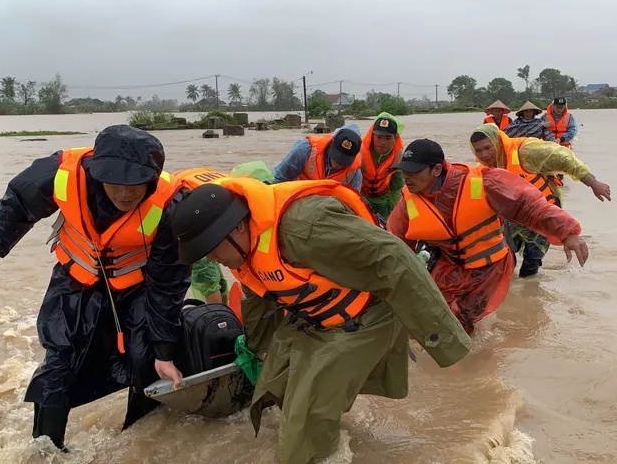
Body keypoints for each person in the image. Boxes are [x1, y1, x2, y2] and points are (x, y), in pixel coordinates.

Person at [170, 177, 472, 463]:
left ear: (236, 226)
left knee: (300, 434)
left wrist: (443, 344)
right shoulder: (244, 246)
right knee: (276, 384)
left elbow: (395, 259)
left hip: (365, 314)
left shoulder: (305, 228)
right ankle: (328, 431)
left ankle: (317, 447)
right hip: (313, 316)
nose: (209, 259)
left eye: (210, 249)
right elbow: (257, 298)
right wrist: (256, 349)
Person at [0, 125, 190, 451]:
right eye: (115, 181)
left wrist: (164, 351)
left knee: (146, 360)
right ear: (97, 172)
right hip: (76, 279)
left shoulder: (172, 203)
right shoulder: (60, 172)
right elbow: (16, 203)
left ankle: (133, 444)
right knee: (60, 358)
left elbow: (168, 283)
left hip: (138, 286)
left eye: (136, 183)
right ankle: (46, 450)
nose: (126, 193)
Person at [386, 139, 588, 333]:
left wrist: (567, 232)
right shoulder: (408, 201)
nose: (407, 177)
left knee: (461, 318)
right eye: (404, 172)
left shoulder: (484, 182)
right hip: (447, 266)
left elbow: (530, 206)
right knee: (430, 313)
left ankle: (478, 362)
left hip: (488, 267)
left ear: (436, 170)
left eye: (414, 171)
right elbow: (394, 242)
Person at [469, 123, 611, 277]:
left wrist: (593, 183)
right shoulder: (481, 171)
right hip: (512, 218)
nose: (484, 155)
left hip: (542, 213)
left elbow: (564, 158)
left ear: (498, 142)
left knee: (531, 261)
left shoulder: (527, 151)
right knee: (504, 260)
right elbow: (475, 203)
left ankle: (530, 291)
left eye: (488, 148)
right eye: (479, 150)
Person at [175, 161, 275, 304]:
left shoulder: (234, 193)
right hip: (189, 218)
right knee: (207, 277)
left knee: (224, 256)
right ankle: (217, 318)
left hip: (193, 186)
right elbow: (206, 275)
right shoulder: (219, 205)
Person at [271, 124, 363, 190]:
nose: (339, 163)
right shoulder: (305, 149)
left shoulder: (355, 173)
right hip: (298, 198)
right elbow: (278, 178)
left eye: (343, 160)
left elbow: (353, 202)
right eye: (337, 156)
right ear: (331, 143)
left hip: (328, 207)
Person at [360, 112, 405, 220]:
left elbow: (396, 189)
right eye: (379, 137)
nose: (382, 142)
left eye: (388, 138)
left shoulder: (397, 158)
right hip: (361, 196)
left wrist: (398, 216)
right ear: (372, 136)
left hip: (383, 200)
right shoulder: (359, 152)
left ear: (395, 138)